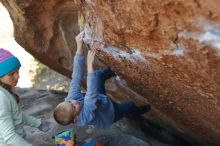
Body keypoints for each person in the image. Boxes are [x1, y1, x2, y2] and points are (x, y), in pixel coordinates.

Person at [53, 31, 150, 129]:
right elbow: (91, 94)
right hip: (109, 115)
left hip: (100, 99)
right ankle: (140, 111)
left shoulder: (71, 99)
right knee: (129, 106)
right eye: (74, 107)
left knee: (98, 76)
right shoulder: (85, 117)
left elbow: (76, 77)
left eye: (69, 102)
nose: (74, 102)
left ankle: (115, 69)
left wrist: (79, 47)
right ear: (75, 118)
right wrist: (90, 65)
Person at [0, 48, 51, 146]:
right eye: (11, 74)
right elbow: (9, 137)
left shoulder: (5, 89)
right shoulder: (1, 98)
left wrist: (38, 123)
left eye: (17, 71)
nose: (17, 76)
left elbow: (16, 114)